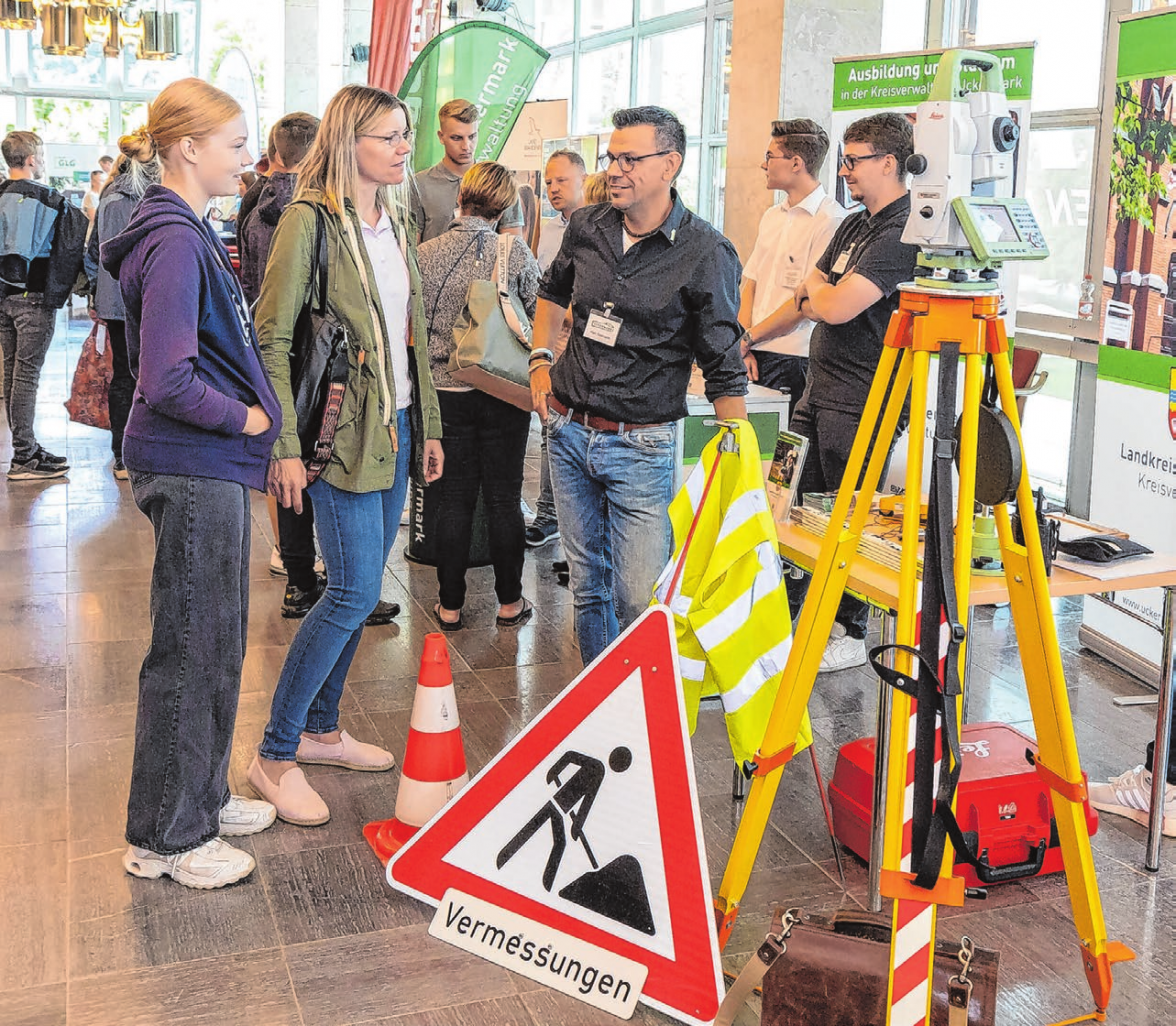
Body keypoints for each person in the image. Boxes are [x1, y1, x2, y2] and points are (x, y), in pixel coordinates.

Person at [100, 78, 283, 888]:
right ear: (188, 149)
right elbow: (168, 374)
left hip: (202, 466)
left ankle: (198, 796)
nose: (248, 160)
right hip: (194, 460)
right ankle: (169, 837)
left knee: (215, 642)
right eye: (236, 145)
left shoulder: (184, 229)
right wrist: (245, 421)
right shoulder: (175, 239)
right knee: (192, 647)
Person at [251, 84, 444, 825]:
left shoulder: (391, 217)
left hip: (391, 428)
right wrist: (286, 446)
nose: (404, 148)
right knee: (353, 592)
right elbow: (271, 338)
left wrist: (427, 424)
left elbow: (409, 333)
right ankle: (274, 754)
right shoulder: (309, 221)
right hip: (337, 437)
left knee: (361, 588)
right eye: (390, 137)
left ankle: (323, 730)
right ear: (348, 141)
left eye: (405, 135)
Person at [529, 105, 748, 665]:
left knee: (639, 596)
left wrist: (737, 447)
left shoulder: (706, 252)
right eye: (612, 157)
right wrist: (538, 362)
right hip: (569, 429)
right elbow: (552, 291)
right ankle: (600, 697)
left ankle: (643, 703)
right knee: (587, 585)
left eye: (631, 158)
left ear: (670, 164)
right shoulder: (587, 226)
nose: (617, 169)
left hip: (642, 444)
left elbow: (722, 356)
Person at [789, 112, 920, 673]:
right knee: (801, 505)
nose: (844, 171)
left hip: (864, 396)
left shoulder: (902, 232)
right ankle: (811, 616)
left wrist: (819, 295)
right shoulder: (853, 225)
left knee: (848, 515)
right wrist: (818, 294)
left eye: (854, 160)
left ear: (889, 163)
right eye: (843, 159)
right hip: (818, 389)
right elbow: (808, 289)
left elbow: (835, 304)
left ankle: (848, 627)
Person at [419, 161, 540, 631]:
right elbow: (532, 316)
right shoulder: (514, 253)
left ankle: (449, 606)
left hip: (446, 391)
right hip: (505, 390)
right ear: (505, 205)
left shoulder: (424, 254)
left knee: (453, 500)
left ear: (461, 197)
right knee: (505, 498)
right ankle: (509, 602)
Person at [739, 118, 845, 409]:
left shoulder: (831, 220)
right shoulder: (772, 215)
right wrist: (742, 343)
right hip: (752, 353)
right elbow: (750, 283)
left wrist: (749, 338)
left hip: (794, 359)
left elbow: (806, 301)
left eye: (769, 157)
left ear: (796, 163)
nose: (764, 165)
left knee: (784, 451)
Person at [0, 130, 88, 481]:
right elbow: (67, 250)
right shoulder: (50, 199)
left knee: (11, 373)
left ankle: (24, 447)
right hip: (34, 297)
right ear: (33, 160)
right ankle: (24, 456)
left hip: (2, 296)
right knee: (27, 374)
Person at [528, 148, 588, 550]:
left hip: (581, 343)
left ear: (583, 180)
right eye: (548, 182)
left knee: (567, 431)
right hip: (550, 344)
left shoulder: (597, 229)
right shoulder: (549, 229)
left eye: (561, 181)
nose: (552, 189)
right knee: (550, 425)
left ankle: (560, 515)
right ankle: (550, 513)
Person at [87, 152, 159, 480]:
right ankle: (125, 453)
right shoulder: (128, 200)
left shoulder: (112, 196)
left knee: (129, 375)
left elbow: (93, 252)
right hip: (130, 301)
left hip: (119, 301)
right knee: (130, 377)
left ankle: (127, 451)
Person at [411, 98, 525, 244]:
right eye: (456, 138)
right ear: (441, 137)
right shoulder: (419, 185)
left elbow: (512, 250)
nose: (466, 146)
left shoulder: (498, 182)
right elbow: (412, 252)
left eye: (472, 136)